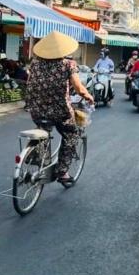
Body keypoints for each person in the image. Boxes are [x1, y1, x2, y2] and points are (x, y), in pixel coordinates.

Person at [26, 32, 94, 184]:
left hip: (36, 109)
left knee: (43, 129)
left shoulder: (35, 63)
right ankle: (62, 171)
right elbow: (79, 88)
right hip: (60, 111)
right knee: (72, 134)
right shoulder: (68, 64)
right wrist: (89, 96)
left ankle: (37, 155)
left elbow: (30, 83)